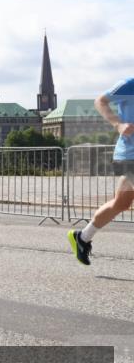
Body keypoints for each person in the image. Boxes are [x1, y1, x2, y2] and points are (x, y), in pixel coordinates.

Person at [68, 77, 134, 265]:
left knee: (121, 203)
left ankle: (82, 237)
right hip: (130, 155)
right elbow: (100, 101)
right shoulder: (129, 84)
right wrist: (118, 124)